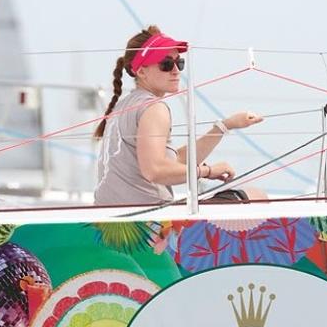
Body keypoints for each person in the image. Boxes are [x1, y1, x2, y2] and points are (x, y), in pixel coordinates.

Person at [94, 26, 266, 206]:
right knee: (257, 195)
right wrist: (208, 171)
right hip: (148, 220)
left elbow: (172, 161)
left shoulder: (123, 105)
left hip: (111, 218)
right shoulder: (154, 108)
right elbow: (155, 169)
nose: (176, 70)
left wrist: (224, 126)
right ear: (141, 71)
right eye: (166, 64)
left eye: (179, 63)